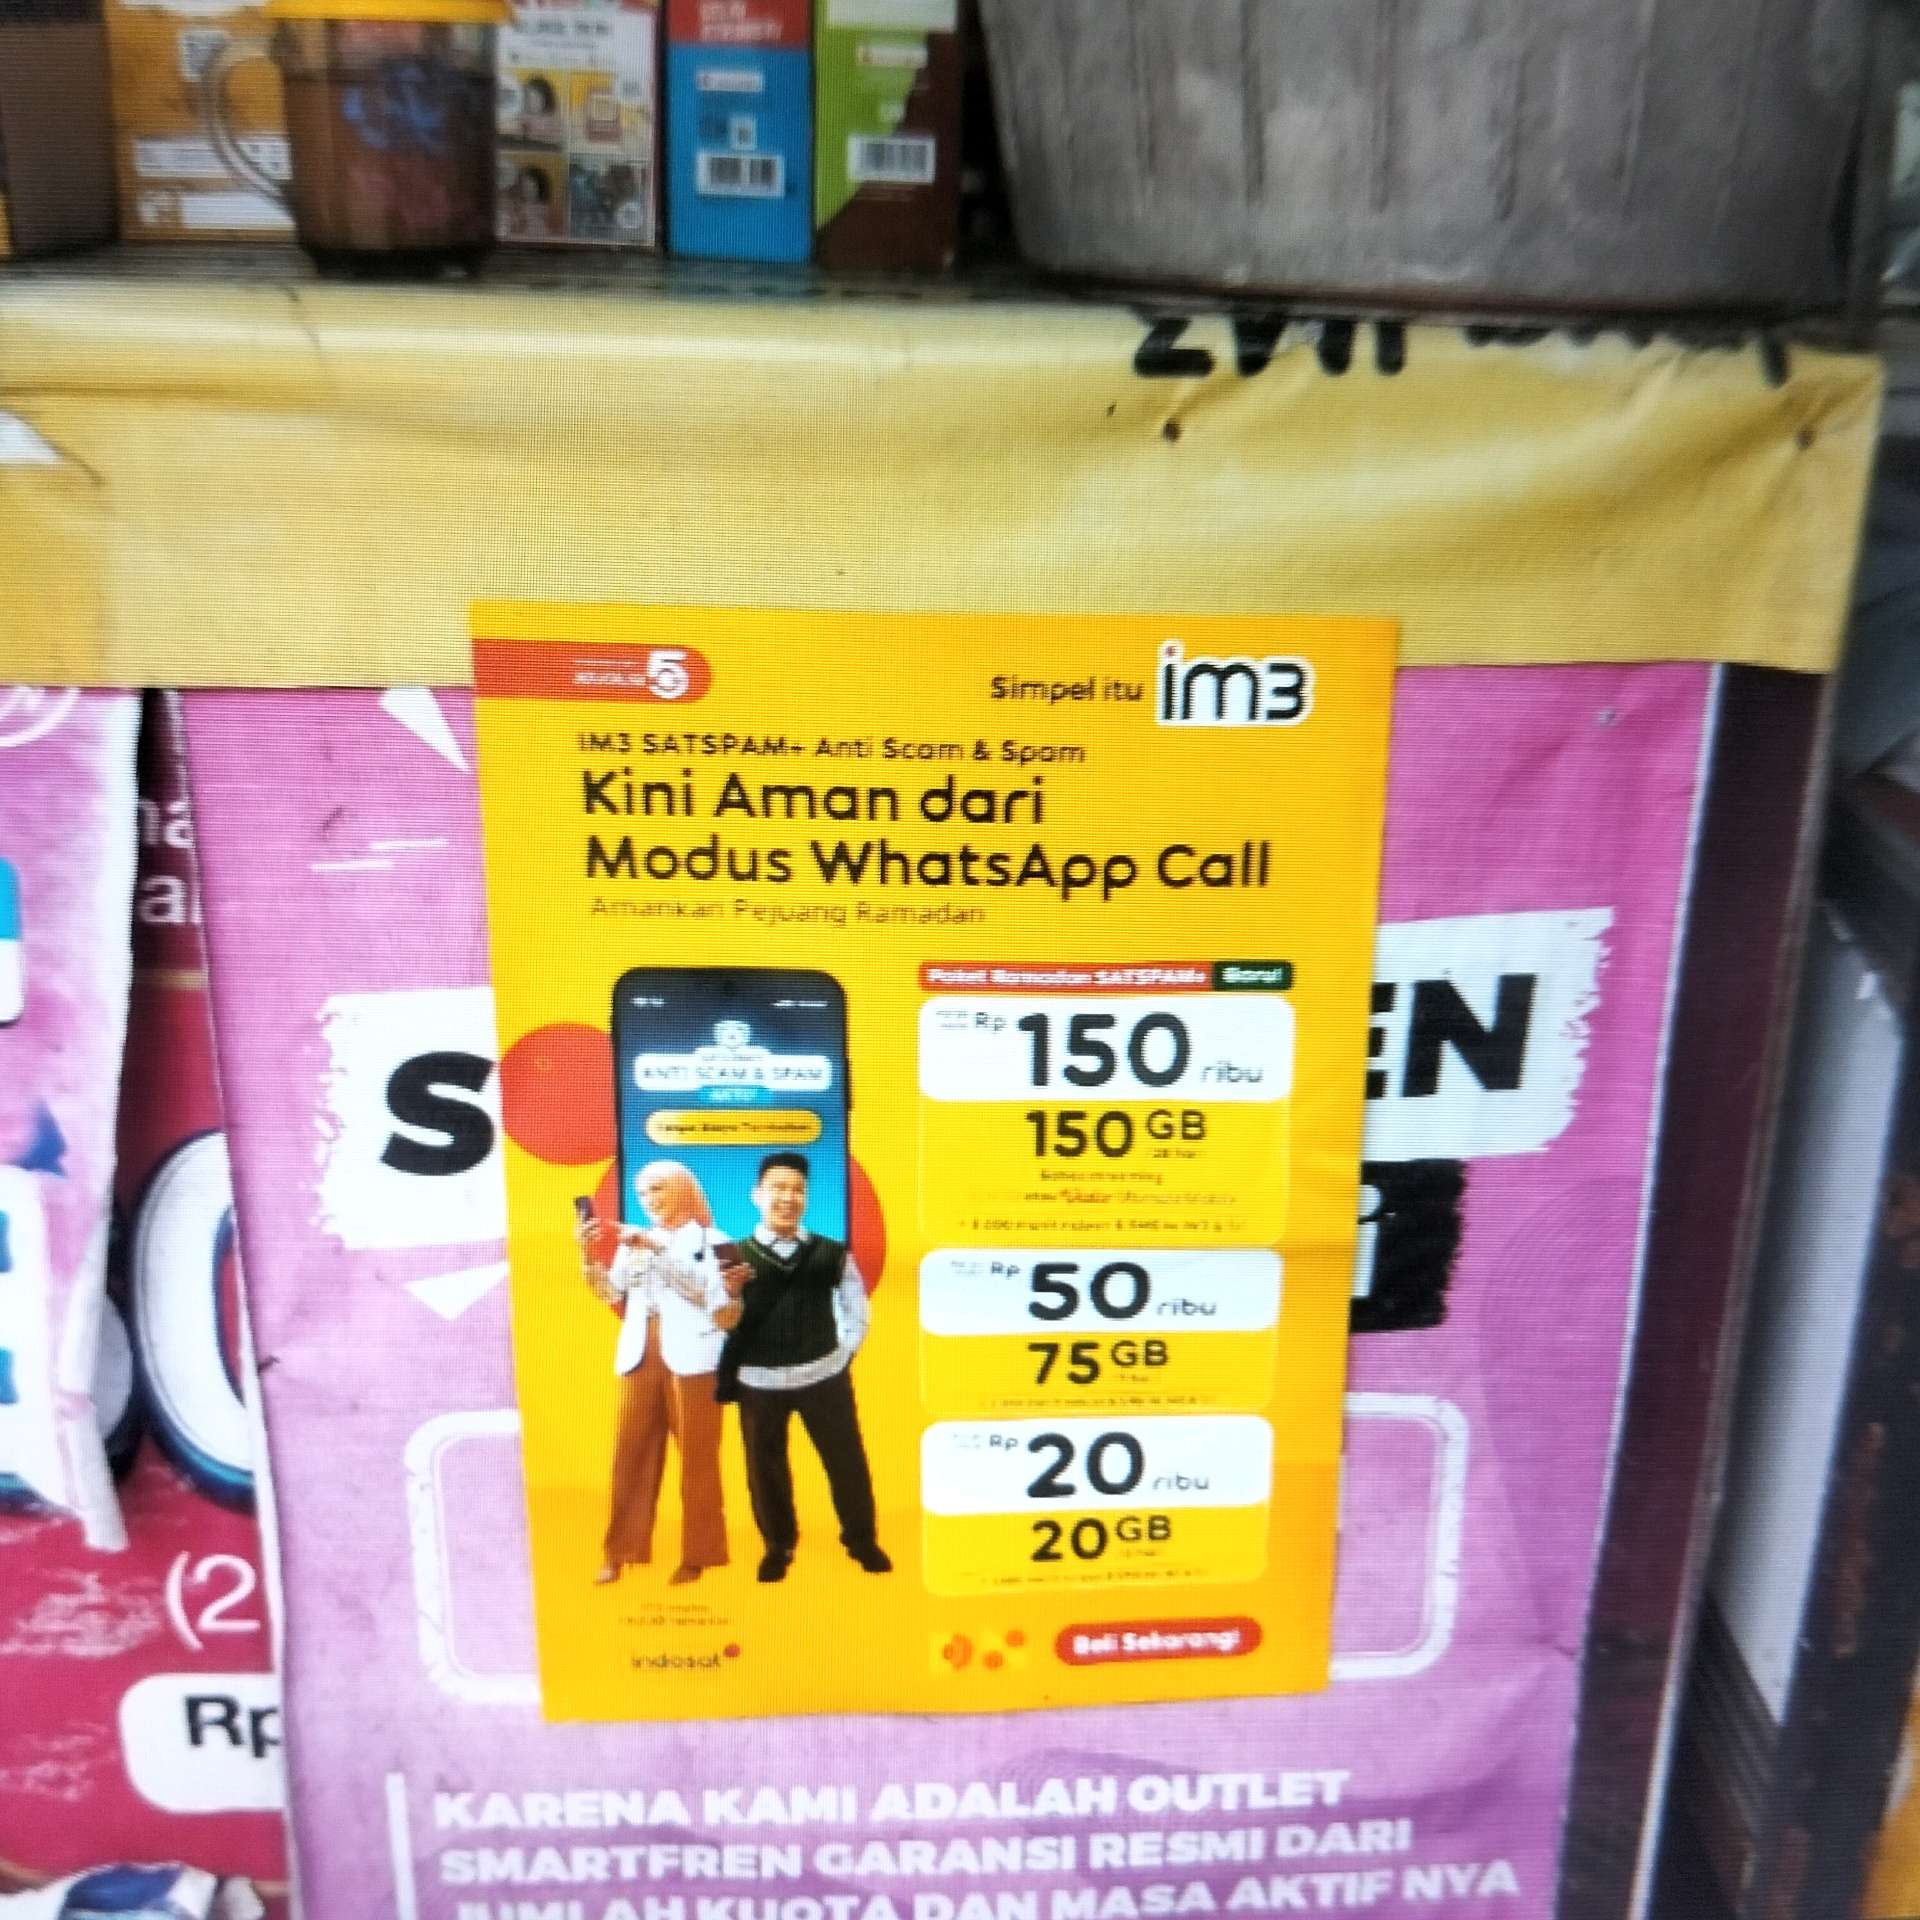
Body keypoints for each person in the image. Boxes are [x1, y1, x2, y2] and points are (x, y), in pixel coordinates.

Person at [716, 1151, 890, 1582]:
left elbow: (856, 1308)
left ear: (807, 1197)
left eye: (797, 1190)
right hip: (758, 1380)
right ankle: (778, 1546)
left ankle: (861, 1540)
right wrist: (731, 1295)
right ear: (756, 1195)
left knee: (847, 1461)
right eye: (778, 1188)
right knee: (765, 1469)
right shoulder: (732, 1256)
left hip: (824, 1376)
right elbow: (719, 1320)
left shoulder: (832, 1252)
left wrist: (844, 1354)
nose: (788, 1198)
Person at [577, 1161, 743, 1587]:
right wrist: (587, 1254)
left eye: (658, 1189)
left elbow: (717, 1300)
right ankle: (619, 1552)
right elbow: (610, 1292)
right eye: (643, 1193)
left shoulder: (721, 1242)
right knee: (630, 1454)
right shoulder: (634, 1242)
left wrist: (656, 1250)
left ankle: (700, 1555)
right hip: (641, 1353)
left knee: (698, 1459)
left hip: (696, 1360)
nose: (649, 1200)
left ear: (684, 1190)